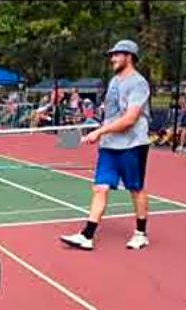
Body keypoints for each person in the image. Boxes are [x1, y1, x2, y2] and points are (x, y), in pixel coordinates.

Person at [60, 39, 151, 251]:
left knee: (135, 189)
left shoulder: (138, 83)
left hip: (132, 144)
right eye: (112, 55)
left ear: (129, 56)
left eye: (116, 55)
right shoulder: (114, 81)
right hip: (110, 145)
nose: (112, 58)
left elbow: (129, 119)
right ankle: (87, 235)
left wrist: (99, 132)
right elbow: (112, 116)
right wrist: (96, 132)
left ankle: (140, 233)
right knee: (100, 187)